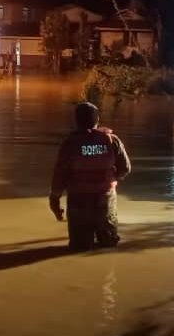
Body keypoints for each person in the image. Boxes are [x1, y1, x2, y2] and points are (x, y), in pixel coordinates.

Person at [49, 102, 131, 251]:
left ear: (76, 121)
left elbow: (60, 174)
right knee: (108, 245)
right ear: (97, 120)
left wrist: (54, 199)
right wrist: (112, 179)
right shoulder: (112, 140)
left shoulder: (70, 143)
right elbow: (125, 168)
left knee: (79, 248)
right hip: (105, 200)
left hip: (78, 201)